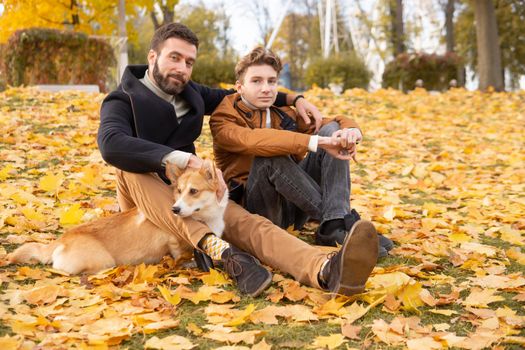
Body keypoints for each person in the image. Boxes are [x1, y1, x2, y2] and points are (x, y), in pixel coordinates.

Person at [98, 23, 378, 298]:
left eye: (189, 62)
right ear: (152, 57)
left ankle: (325, 270)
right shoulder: (122, 100)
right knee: (127, 168)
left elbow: (248, 92)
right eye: (174, 57)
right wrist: (185, 160)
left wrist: (296, 98)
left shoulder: (189, 91)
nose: (182, 68)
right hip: (148, 194)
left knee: (251, 224)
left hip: (195, 194)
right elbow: (111, 144)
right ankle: (218, 249)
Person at [209, 47, 393, 257]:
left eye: (272, 81)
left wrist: (349, 130)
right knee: (270, 156)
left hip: (294, 207)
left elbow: (328, 124)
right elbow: (253, 141)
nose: (266, 88)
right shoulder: (223, 117)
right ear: (239, 87)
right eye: (256, 81)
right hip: (257, 210)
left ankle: (333, 224)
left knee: (332, 131)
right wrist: (314, 142)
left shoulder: (283, 113)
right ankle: (336, 221)